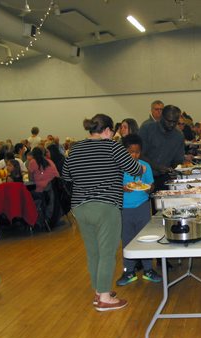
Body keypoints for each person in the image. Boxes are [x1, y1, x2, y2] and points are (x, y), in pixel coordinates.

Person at [62, 113, 145, 312]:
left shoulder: (75, 148)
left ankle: (99, 291)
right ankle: (106, 299)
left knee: (93, 252)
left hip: (80, 207)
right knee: (107, 252)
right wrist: (141, 168)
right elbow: (134, 168)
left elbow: (66, 175)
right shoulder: (113, 146)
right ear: (107, 130)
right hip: (106, 206)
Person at [116, 134, 161, 286]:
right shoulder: (118, 167)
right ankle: (129, 271)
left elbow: (151, 184)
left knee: (145, 238)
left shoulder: (145, 166)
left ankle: (148, 269)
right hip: (124, 208)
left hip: (142, 205)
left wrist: (148, 188)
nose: (134, 155)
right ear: (124, 152)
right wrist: (122, 188)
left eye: (137, 152)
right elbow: (114, 186)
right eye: (130, 152)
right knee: (127, 239)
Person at [138, 105, 185, 191]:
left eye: (175, 122)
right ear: (162, 117)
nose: (172, 124)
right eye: (169, 121)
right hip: (143, 177)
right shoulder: (147, 129)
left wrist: (174, 170)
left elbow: (178, 160)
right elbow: (138, 154)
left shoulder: (179, 136)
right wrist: (157, 167)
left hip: (164, 179)